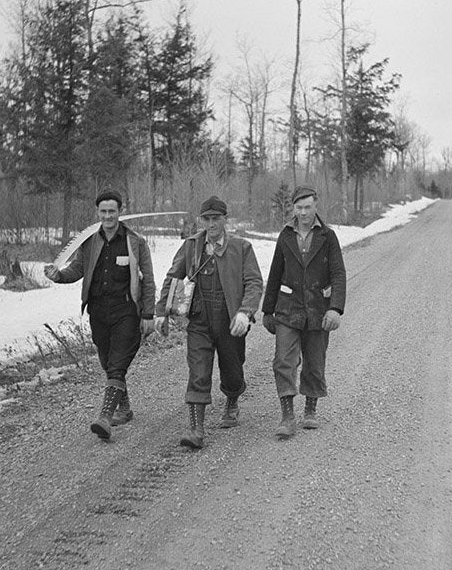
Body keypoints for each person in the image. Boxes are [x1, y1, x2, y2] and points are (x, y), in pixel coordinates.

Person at [43, 189, 155, 441]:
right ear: (98, 213)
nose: (107, 216)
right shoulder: (90, 241)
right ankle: (124, 408)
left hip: (126, 311)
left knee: (117, 363)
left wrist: (148, 313)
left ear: (120, 212)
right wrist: (58, 276)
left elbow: (147, 280)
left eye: (112, 211)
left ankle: (105, 417)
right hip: (98, 312)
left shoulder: (135, 242)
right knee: (107, 362)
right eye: (103, 211)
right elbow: (77, 269)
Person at [155, 195, 264, 449]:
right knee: (198, 371)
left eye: (216, 219)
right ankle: (196, 430)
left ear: (225, 219)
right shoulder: (191, 246)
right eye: (207, 219)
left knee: (232, 370)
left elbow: (254, 283)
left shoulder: (241, 248)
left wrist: (244, 312)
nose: (212, 224)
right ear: (200, 220)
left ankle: (232, 399)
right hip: (199, 320)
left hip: (230, 320)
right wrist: (162, 311)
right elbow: (173, 278)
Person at [261, 185, 346, 438]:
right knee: (283, 361)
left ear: (316, 206)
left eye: (308, 207)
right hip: (288, 308)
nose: (304, 212)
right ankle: (287, 416)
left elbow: (338, 274)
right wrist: (267, 310)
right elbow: (275, 272)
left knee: (315, 361)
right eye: (299, 208)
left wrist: (335, 309)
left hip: (319, 309)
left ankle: (310, 410)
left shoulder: (328, 236)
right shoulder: (285, 235)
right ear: (293, 209)